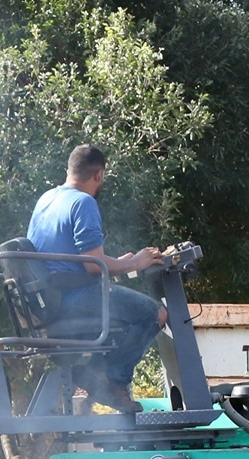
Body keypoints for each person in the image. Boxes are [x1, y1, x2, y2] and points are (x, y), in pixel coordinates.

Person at [26, 143, 165, 415]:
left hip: (50, 299)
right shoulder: (83, 202)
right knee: (154, 314)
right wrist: (135, 263)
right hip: (74, 299)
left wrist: (122, 263)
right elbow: (92, 265)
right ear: (99, 175)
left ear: (69, 170)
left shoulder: (46, 199)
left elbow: (79, 257)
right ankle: (113, 382)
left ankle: (94, 373)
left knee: (129, 309)